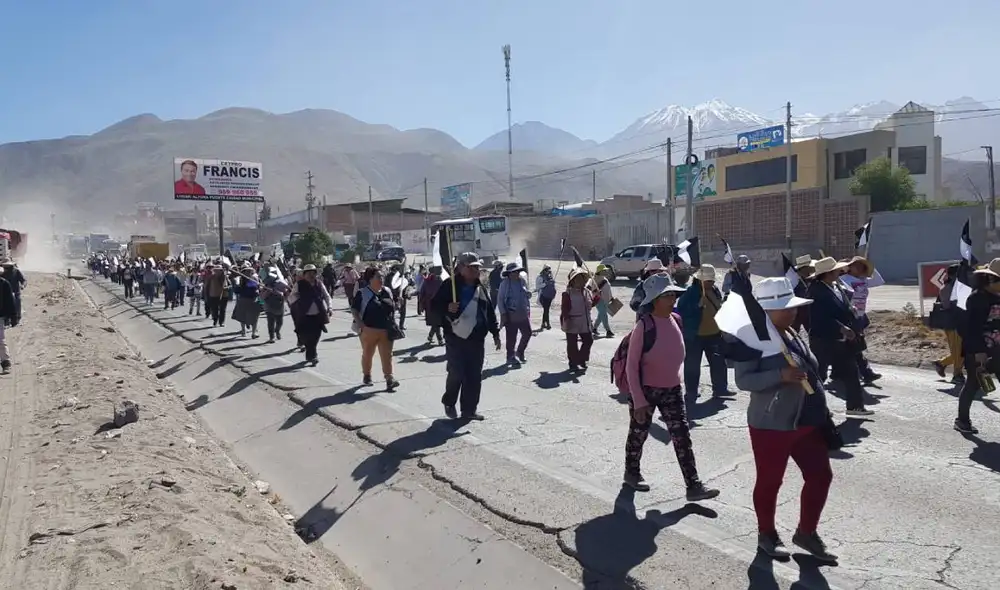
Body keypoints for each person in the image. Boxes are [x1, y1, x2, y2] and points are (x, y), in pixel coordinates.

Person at [734, 277, 837, 563]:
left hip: (807, 421)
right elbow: (743, 380)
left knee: (821, 475)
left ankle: (806, 532)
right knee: (770, 481)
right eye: (785, 308)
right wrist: (780, 376)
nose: (792, 312)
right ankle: (766, 534)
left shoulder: (790, 331)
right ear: (765, 310)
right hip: (771, 424)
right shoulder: (750, 337)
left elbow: (810, 368)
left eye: (793, 307)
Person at [623, 273, 719, 501]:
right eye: (667, 295)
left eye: (673, 294)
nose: (673, 298)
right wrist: (638, 399)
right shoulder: (643, 326)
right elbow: (631, 366)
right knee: (638, 435)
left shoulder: (676, 319)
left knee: (682, 437)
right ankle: (631, 473)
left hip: (672, 390)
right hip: (646, 391)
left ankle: (693, 486)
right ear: (655, 300)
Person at [431, 252, 501, 420]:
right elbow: (434, 306)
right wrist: (448, 307)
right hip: (456, 336)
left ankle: (469, 410)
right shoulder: (450, 285)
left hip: (476, 338)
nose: (476, 270)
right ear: (461, 268)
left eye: (477, 267)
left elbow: (489, 311)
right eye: (472, 267)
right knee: (457, 372)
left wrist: (495, 332)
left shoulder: (480, 287)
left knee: (474, 375)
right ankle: (449, 402)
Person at [807, 257, 872, 416]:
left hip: (841, 341)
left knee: (851, 372)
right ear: (828, 273)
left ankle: (855, 406)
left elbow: (844, 308)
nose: (841, 271)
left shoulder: (836, 286)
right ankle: (811, 408)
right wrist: (841, 328)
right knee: (819, 375)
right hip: (823, 339)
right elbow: (819, 317)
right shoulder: (816, 290)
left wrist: (853, 318)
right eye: (837, 270)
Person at [954, 258, 1000, 434]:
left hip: (997, 351)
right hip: (979, 351)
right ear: (990, 280)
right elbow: (969, 328)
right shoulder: (977, 298)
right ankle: (962, 420)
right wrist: (978, 351)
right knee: (973, 385)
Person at [676, 264, 729, 398]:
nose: (711, 283)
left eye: (712, 280)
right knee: (692, 365)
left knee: (718, 364)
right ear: (700, 280)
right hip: (695, 336)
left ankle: (720, 389)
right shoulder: (690, 292)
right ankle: (691, 391)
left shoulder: (715, 290)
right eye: (708, 281)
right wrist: (696, 306)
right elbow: (681, 310)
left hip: (714, 334)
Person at [352, 266, 400, 391]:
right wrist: (361, 325)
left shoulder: (387, 291)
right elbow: (354, 310)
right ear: (370, 279)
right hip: (369, 330)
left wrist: (398, 304)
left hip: (386, 329)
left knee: (387, 355)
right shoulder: (362, 293)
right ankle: (367, 375)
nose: (381, 279)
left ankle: (389, 378)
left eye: (382, 276)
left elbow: (392, 307)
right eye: (378, 276)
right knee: (368, 354)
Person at [840, 256, 884, 385]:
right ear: (849, 267)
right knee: (855, 344)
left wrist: (871, 267)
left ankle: (841, 371)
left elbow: (879, 281)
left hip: (860, 316)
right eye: (856, 265)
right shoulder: (844, 280)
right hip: (849, 317)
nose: (859, 268)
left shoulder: (864, 280)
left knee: (852, 345)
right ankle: (865, 372)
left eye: (861, 266)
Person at [292, 264, 331, 366]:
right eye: (308, 273)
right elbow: (292, 296)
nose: (311, 275)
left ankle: (313, 355)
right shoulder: (299, 284)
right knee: (305, 337)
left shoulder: (319, 284)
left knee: (316, 336)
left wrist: (329, 307)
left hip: (318, 315)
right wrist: (298, 302)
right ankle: (312, 355)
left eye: (313, 273)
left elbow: (327, 296)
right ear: (304, 275)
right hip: (304, 316)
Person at [932, 264, 965, 384]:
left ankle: (941, 363)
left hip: (961, 323)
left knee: (964, 350)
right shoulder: (947, 288)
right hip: (953, 324)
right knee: (958, 351)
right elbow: (950, 306)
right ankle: (957, 374)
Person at [497, 260, 532, 365]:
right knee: (511, 337)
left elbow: (526, 295)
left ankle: (520, 352)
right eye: (514, 272)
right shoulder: (505, 284)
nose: (516, 274)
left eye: (517, 271)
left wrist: (528, 294)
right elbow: (500, 299)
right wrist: (503, 313)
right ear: (509, 274)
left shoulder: (522, 281)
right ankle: (510, 356)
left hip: (522, 313)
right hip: (510, 314)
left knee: (527, 333)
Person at [561, 267, 595, 372]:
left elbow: (590, 305)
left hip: (585, 321)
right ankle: (573, 363)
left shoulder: (587, 291)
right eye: (578, 279)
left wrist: (598, 297)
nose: (580, 281)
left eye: (582, 279)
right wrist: (566, 320)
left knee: (589, 340)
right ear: (573, 281)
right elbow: (565, 308)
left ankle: (582, 359)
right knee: (572, 344)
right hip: (572, 320)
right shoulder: (567, 293)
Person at [232, 269, 262, 338]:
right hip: (245, 300)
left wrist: (258, 285)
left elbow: (258, 290)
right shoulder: (242, 281)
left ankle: (253, 333)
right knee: (244, 317)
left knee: (254, 317)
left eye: (251, 272)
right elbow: (237, 291)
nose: (251, 273)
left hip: (253, 300)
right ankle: (244, 331)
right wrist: (236, 284)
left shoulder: (253, 279)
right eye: (249, 272)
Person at [261, 267, 289, 342]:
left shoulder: (281, 283)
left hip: (280, 305)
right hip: (269, 306)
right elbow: (262, 297)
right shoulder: (265, 285)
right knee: (271, 322)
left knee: (280, 322)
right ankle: (271, 337)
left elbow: (286, 294)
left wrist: (281, 293)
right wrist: (268, 291)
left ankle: (277, 330)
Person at [420, 266, 445, 345]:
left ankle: (430, 336)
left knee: (436, 322)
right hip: (431, 305)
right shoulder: (428, 280)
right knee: (436, 323)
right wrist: (421, 304)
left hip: (438, 304)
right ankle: (440, 339)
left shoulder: (440, 279)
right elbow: (422, 292)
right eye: (440, 270)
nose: (441, 272)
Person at [0, 266, 17, 373]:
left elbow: (10, 301)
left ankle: (6, 363)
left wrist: (13, 316)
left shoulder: (4, 284)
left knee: (0, 340)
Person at [592, 264, 614, 338]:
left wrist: (611, 297)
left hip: (606, 299)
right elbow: (592, 290)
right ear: (600, 271)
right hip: (599, 300)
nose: (606, 272)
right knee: (604, 315)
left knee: (601, 315)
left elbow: (608, 290)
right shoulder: (595, 279)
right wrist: (597, 291)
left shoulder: (604, 278)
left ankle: (594, 328)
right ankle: (608, 330)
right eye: (604, 271)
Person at [535, 265, 556, 330]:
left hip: (549, 296)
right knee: (546, 310)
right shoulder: (540, 277)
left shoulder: (550, 277)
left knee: (546, 310)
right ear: (544, 270)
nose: (548, 272)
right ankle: (547, 324)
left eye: (549, 271)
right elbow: (537, 287)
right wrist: (545, 283)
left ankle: (544, 323)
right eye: (547, 270)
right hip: (542, 296)